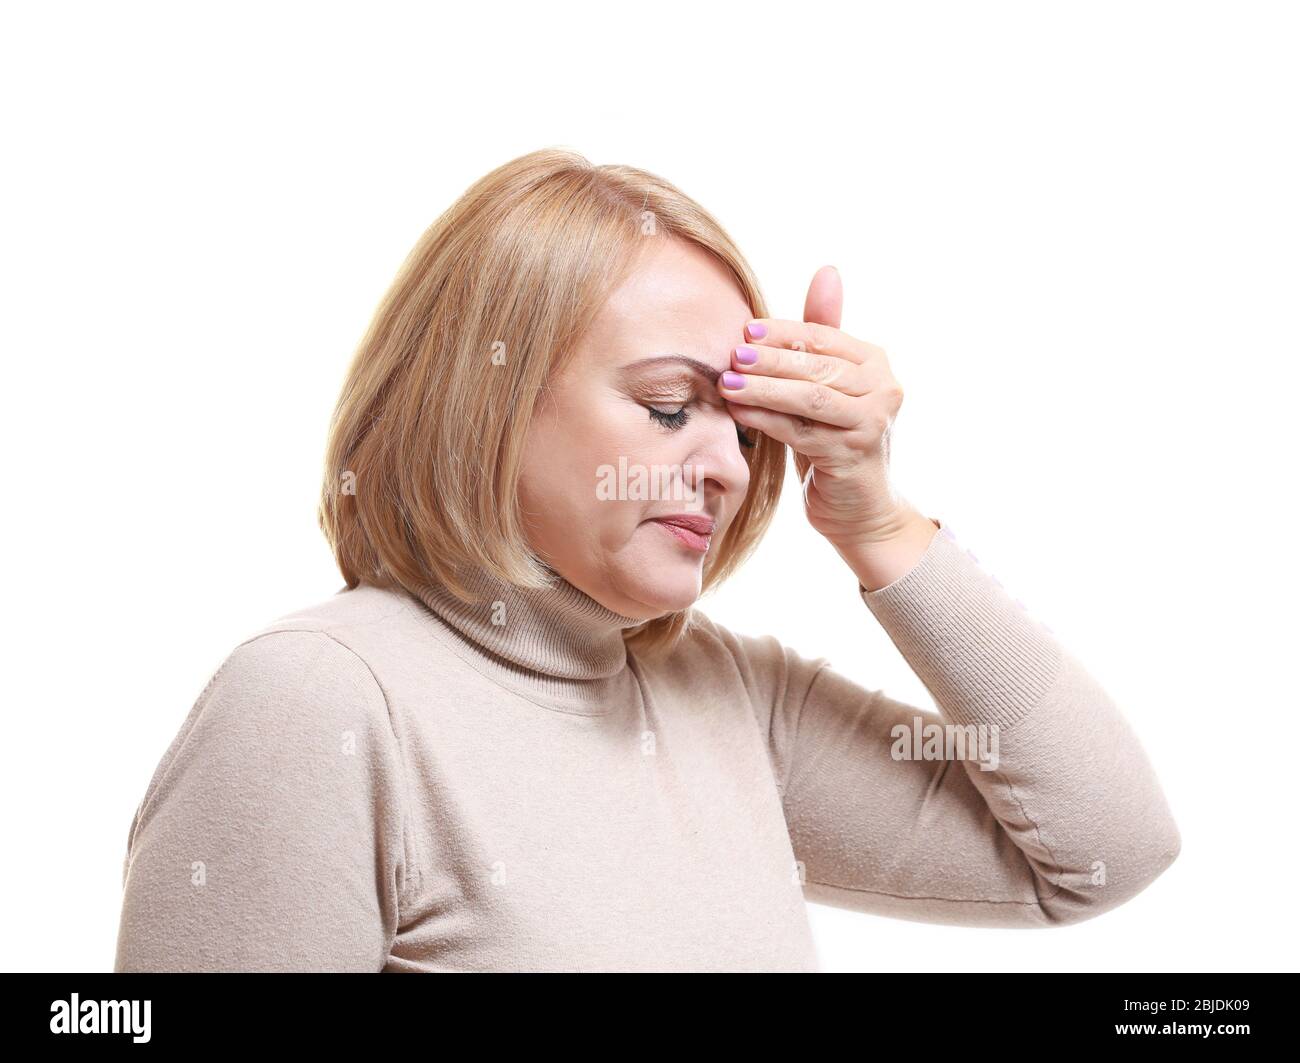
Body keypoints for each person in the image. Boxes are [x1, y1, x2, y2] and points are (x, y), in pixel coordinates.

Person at [113, 148, 1180, 972]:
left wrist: (877, 524)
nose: (725, 464)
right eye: (672, 407)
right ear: (488, 402)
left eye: (747, 427)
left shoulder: (726, 696)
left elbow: (1102, 852)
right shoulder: (319, 702)